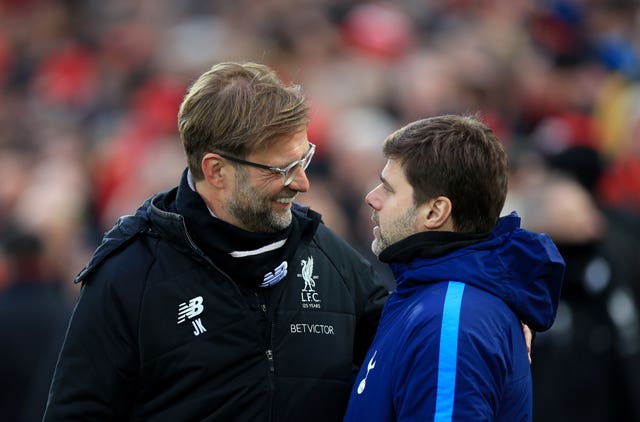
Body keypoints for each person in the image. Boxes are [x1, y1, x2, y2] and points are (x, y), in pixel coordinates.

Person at [43, 61, 388, 422]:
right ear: (216, 170)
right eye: (282, 169)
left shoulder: (329, 256)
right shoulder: (130, 273)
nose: (302, 183)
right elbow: (77, 411)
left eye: (304, 159)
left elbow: (406, 358)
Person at [343, 115, 565, 421]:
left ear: (435, 211)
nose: (372, 198)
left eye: (388, 188)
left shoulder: (451, 322)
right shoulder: (434, 298)